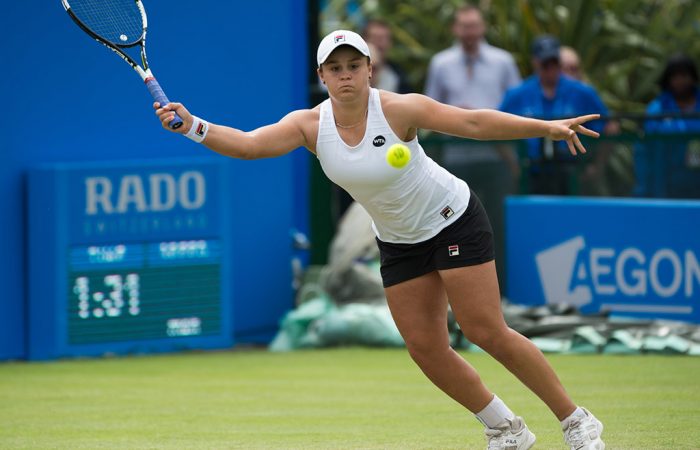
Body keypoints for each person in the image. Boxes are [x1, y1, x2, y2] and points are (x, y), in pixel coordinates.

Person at [155, 29, 605, 450]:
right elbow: (249, 145)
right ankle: (506, 429)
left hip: (452, 220)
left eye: (354, 65)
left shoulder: (398, 109)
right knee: (426, 349)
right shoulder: (309, 125)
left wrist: (547, 127)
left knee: (484, 330)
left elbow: (472, 122)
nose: (346, 75)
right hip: (398, 241)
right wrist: (194, 125)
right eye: (335, 68)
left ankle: (576, 420)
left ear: (370, 69)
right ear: (322, 76)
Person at [424, 4, 522, 286]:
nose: (470, 32)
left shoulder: (503, 61)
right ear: (455, 29)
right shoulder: (441, 63)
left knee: (497, 223)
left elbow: (516, 108)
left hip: (496, 158)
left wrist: (483, 118)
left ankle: (501, 287)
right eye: (464, 26)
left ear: (483, 28)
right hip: (456, 159)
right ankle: (458, 287)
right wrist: (457, 116)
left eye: (474, 26)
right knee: (452, 226)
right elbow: (428, 111)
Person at [500, 35, 608, 195]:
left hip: (573, 172)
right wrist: (514, 165)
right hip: (531, 171)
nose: (550, 68)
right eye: (545, 64)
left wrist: (597, 166)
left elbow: (609, 126)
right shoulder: (518, 93)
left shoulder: (582, 92)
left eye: (554, 62)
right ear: (535, 62)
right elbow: (498, 126)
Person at [635, 54, 700, 198]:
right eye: (674, 76)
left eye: (684, 75)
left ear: (692, 76)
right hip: (667, 183)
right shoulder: (657, 108)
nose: (680, 81)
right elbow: (646, 150)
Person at [362, 19, 412, 93]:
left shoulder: (398, 74)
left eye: (384, 38)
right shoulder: (353, 70)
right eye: (375, 37)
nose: (379, 42)